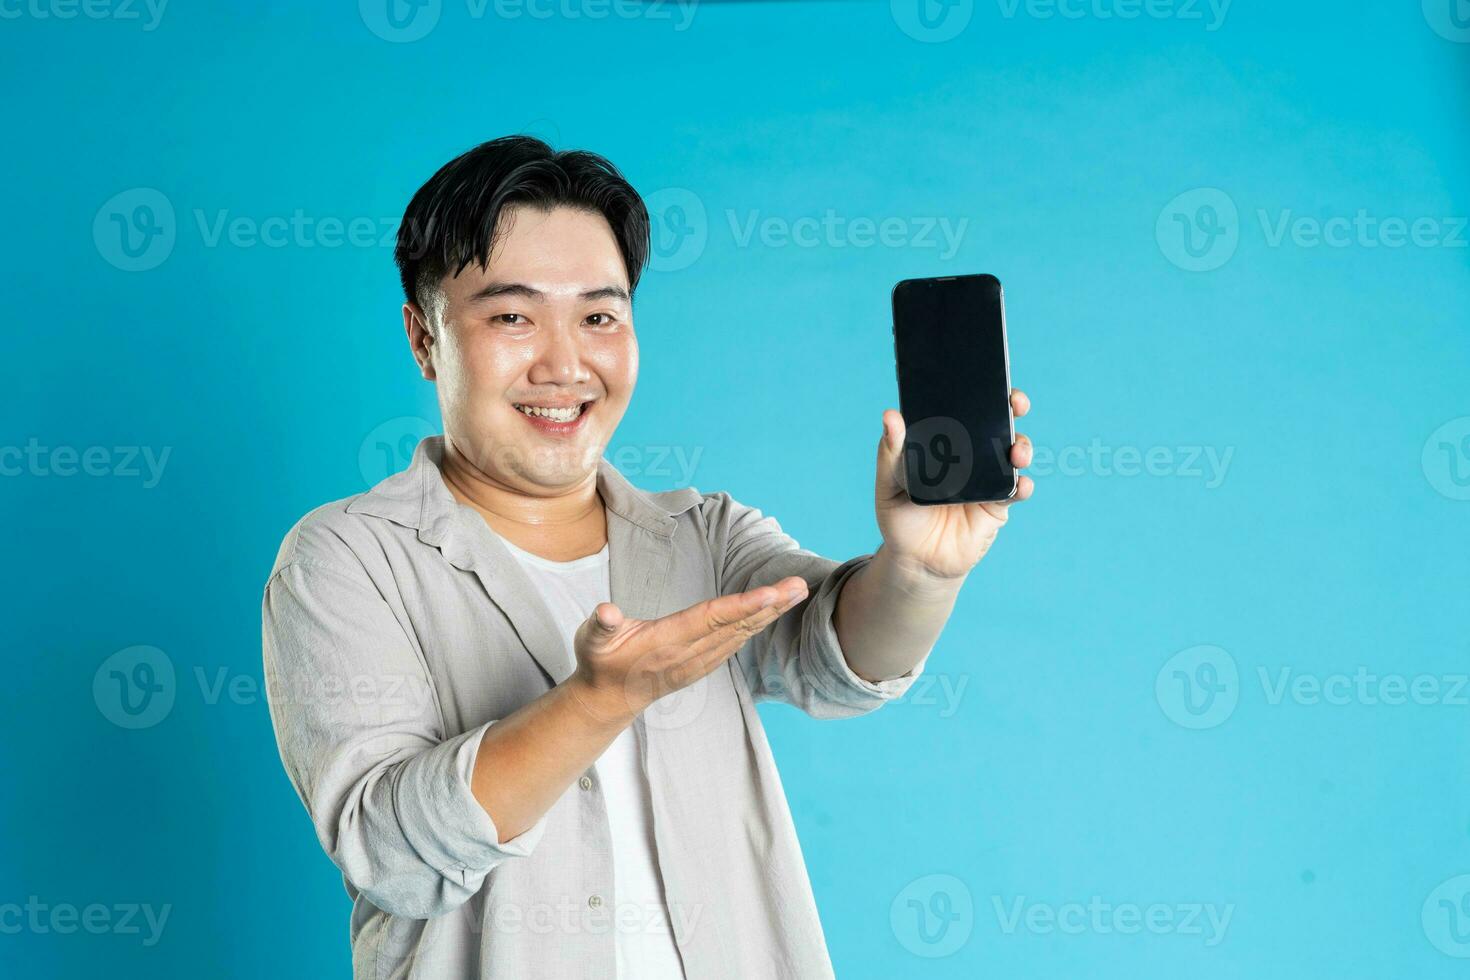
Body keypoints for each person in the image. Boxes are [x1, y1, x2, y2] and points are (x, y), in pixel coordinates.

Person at [260, 135, 1035, 980]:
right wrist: (598, 701)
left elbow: (840, 655)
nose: (565, 364)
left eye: (599, 315)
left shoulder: (701, 535)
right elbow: (389, 851)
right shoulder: (344, 560)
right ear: (424, 337)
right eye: (512, 316)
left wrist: (922, 568)